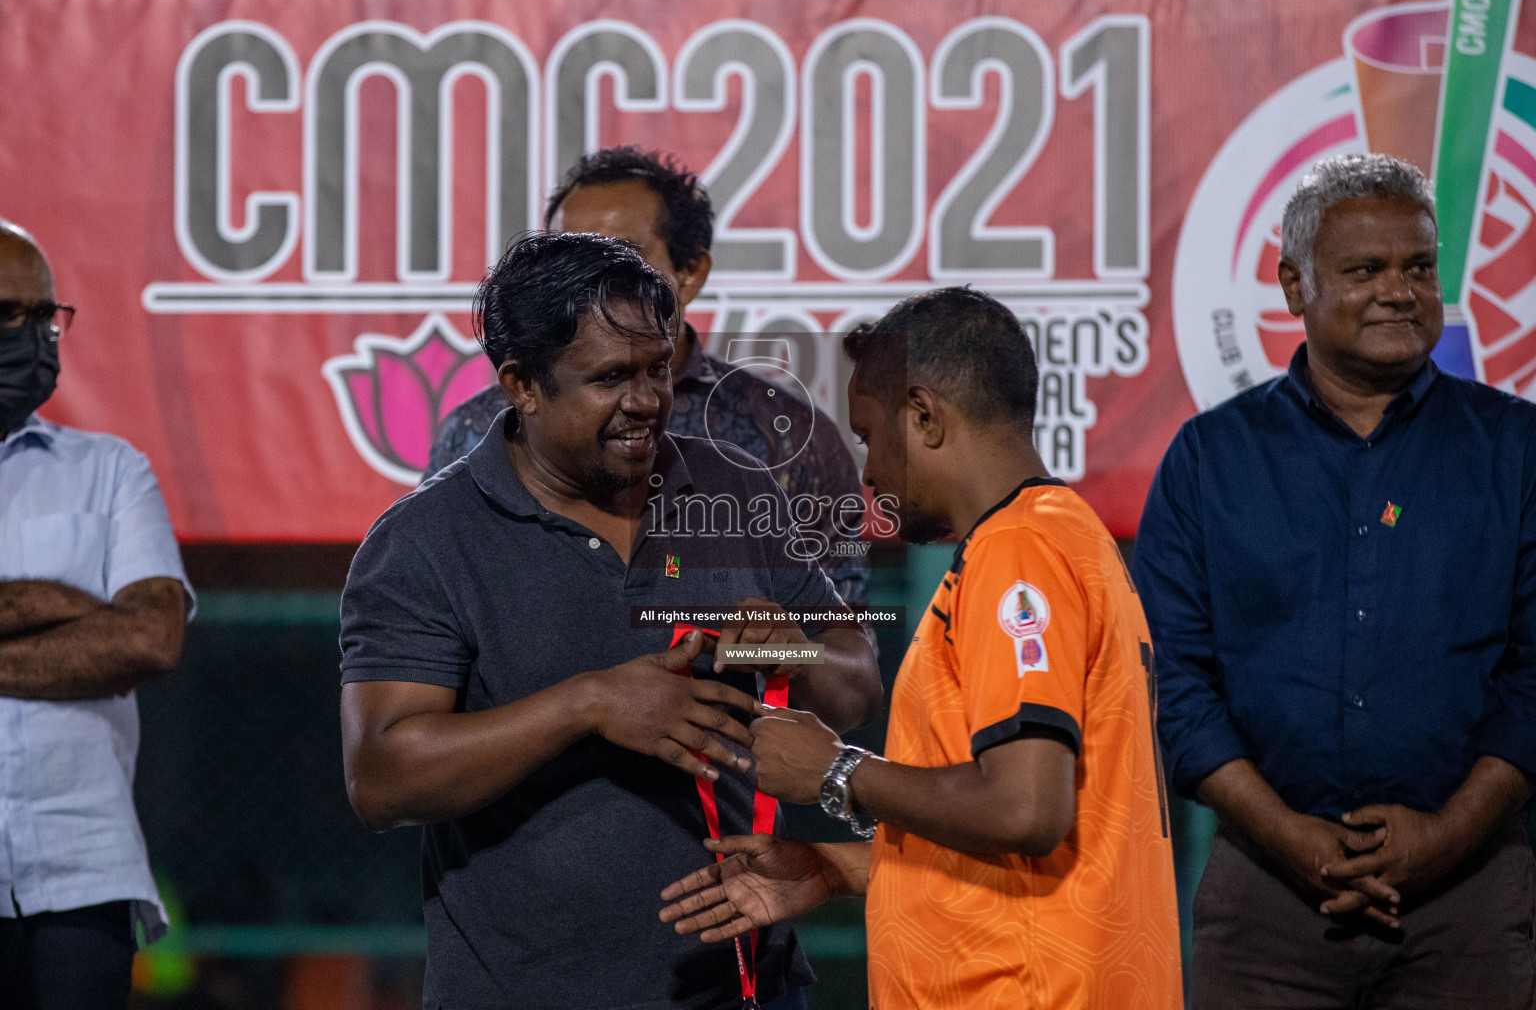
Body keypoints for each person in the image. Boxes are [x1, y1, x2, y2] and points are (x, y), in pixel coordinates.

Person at [339, 232, 882, 1010]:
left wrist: (792, 649)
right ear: (521, 384)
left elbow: (855, 680)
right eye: (609, 378)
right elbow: (380, 777)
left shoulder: (729, 484)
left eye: (659, 368)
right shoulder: (425, 540)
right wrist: (590, 705)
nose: (645, 400)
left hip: (744, 991)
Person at [659, 287, 1182, 1010]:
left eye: (871, 437)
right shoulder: (1063, 538)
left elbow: (1026, 809)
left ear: (926, 415)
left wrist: (837, 770)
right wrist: (835, 867)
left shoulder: (1020, 552)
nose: (868, 474)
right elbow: (1042, 839)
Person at [1133, 153, 1536, 1008]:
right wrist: (1289, 838)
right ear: (1293, 285)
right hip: (1265, 899)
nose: (1400, 291)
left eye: (1419, 268)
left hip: (1472, 895)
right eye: (1365, 270)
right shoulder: (1211, 461)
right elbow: (1175, 684)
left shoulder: (1518, 452)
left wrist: (1446, 836)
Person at [425, 146, 871, 609]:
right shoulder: (474, 431)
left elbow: (833, 646)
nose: (589, 282)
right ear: (519, 387)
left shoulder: (791, 440)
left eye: (621, 256)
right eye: (565, 257)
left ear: (691, 272)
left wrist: (748, 650)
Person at [0, 222, 193, 1009]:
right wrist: (73, 613)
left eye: (48, 317)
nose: (38, 337)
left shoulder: (112, 470)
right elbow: (113, 629)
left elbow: (148, 635)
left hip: (84, 867)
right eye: (12, 315)